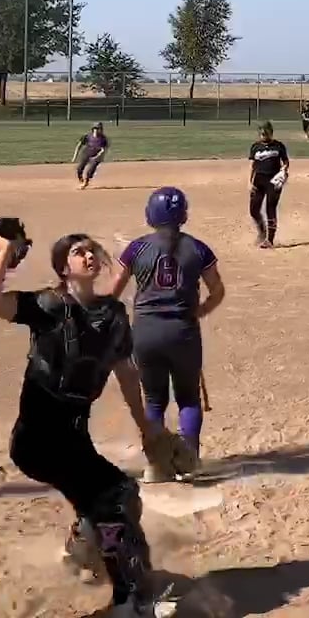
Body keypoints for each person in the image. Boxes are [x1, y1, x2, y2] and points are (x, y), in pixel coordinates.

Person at [0, 228, 169, 615]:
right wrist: (6, 252)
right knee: (114, 497)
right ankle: (128, 596)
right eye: (79, 252)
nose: (89, 256)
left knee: (117, 497)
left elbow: (126, 374)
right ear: (64, 268)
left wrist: (147, 428)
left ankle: (83, 550)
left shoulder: (113, 316)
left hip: (74, 437)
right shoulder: (49, 305)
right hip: (38, 438)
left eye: (92, 250)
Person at [122, 187, 226, 480]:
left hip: (145, 331)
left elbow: (113, 291)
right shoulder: (199, 248)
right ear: (184, 216)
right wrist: (200, 311)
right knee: (188, 398)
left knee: (154, 400)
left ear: (150, 215)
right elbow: (217, 291)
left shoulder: (136, 249)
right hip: (183, 331)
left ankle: (157, 465)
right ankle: (188, 458)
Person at [247, 121, 290, 248]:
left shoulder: (278, 146)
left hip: (273, 181)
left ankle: (269, 240)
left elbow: (285, 161)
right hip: (259, 180)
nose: (264, 136)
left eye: (266, 133)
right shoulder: (255, 147)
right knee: (253, 210)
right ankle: (262, 231)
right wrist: (249, 182)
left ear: (271, 133)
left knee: (270, 208)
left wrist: (284, 170)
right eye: (262, 133)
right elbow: (252, 165)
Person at [72, 122, 109, 189]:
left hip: (96, 156)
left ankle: (85, 182)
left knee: (90, 170)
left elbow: (103, 150)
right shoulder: (87, 136)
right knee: (79, 168)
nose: (97, 130)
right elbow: (79, 146)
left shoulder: (103, 139)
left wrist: (97, 157)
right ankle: (81, 180)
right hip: (86, 153)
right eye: (95, 128)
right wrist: (75, 156)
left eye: (99, 129)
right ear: (92, 129)